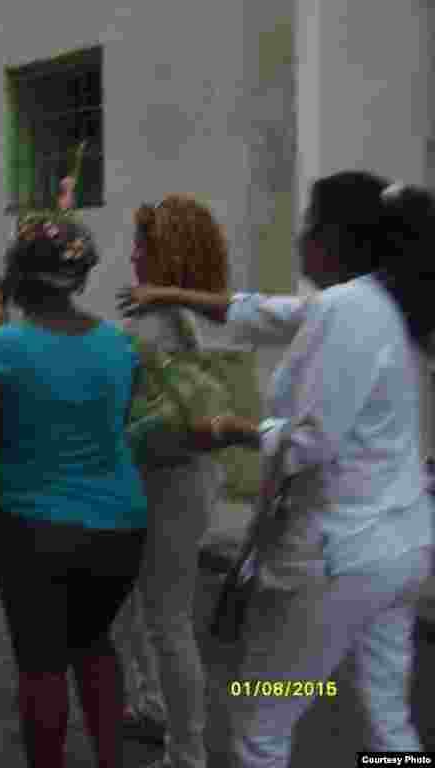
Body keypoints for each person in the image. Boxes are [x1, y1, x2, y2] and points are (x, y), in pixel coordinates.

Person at [117, 171, 435, 767]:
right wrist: (173, 294)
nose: (301, 237)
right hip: (399, 550)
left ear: (336, 237)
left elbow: (311, 442)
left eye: (310, 222)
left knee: (260, 715)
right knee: (388, 716)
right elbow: (257, 311)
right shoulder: (374, 302)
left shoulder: (344, 309)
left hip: (340, 554)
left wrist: (227, 429)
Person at [0, 213, 148, 768]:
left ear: (17, 275)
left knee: (41, 663)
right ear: (82, 278)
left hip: (35, 527)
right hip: (120, 527)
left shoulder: (0, 349)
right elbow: (113, 427)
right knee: (94, 643)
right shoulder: (119, 346)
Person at [111, 195, 232, 768]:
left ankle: (186, 752)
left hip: (171, 480)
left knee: (166, 615)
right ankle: (152, 704)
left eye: (144, 246)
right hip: (174, 476)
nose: (133, 256)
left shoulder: (163, 323)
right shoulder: (203, 316)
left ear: (170, 253)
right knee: (136, 604)